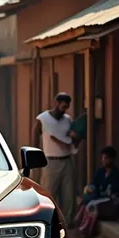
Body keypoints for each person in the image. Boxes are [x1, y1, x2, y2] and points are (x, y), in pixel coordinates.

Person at [33, 93, 78, 226]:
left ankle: (66, 223)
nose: (64, 110)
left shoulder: (67, 119)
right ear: (56, 103)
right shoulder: (42, 118)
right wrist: (35, 156)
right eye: (63, 106)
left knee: (69, 195)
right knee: (49, 192)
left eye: (67, 107)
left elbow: (72, 138)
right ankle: (47, 221)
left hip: (67, 160)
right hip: (50, 161)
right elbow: (35, 137)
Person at [75, 146, 119, 237]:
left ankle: (87, 231)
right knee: (86, 201)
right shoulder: (100, 172)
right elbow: (94, 186)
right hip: (98, 198)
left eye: (106, 158)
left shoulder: (118, 175)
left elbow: (118, 194)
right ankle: (78, 226)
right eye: (102, 158)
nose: (103, 160)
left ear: (112, 159)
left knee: (93, 206)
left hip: (111, 203)